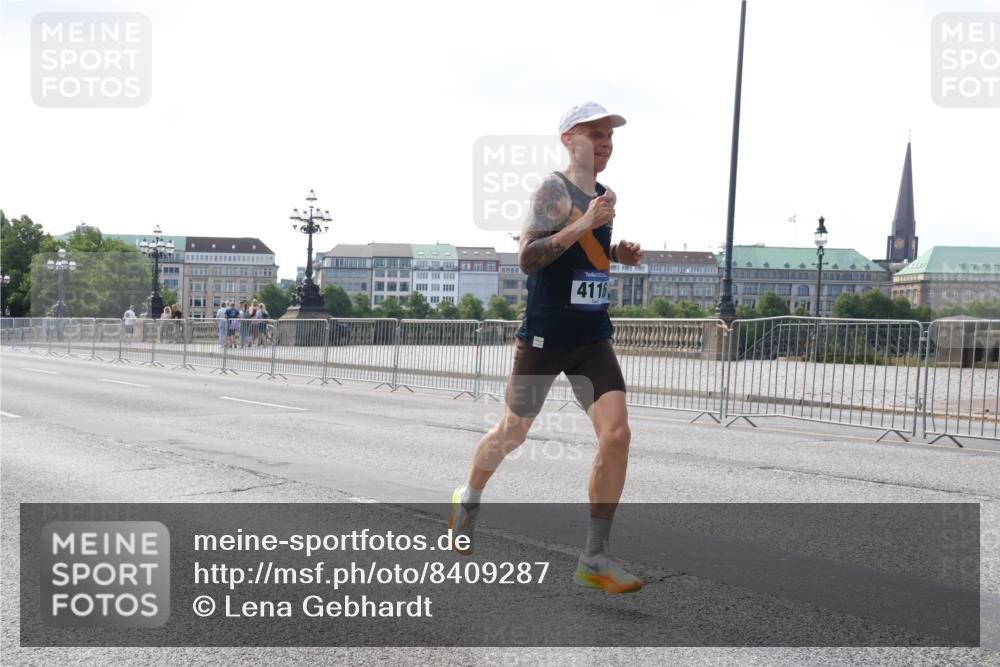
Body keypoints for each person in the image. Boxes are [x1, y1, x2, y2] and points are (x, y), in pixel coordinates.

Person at [450, 102, 645, 594]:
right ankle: (468, 498)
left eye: (609, 137)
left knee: (617, 434)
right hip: (543, 338)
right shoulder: (552, 190)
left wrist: (616, 253)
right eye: (595, 134)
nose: (605, 144)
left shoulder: (605, 195)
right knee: (511, 434)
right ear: (568, 139)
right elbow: (529, 258)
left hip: (592, 337)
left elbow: (587, 259)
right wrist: (584, 224)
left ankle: (594, 557)